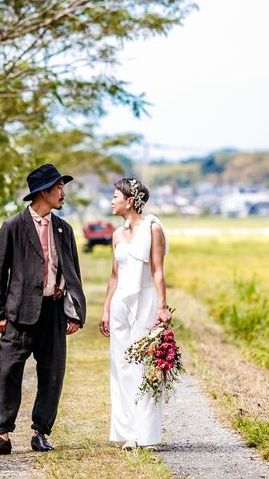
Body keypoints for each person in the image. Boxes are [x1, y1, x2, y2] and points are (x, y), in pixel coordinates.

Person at [0, 164, 86, 456]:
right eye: (58, 187)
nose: (63, 192)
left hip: (53, 312)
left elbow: (72, 273)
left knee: (52, 374)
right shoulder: (12, 226)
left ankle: (40, 433)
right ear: (43, 192)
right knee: (9, 372)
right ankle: (2, 435)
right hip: (18, 314)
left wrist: (74, 312)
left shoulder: (64, 229)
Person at [99, 178, 171, 450]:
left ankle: (147, 434)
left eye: (115, 196)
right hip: (120, 303)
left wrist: (162, 306)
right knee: (121, 365)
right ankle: (128, 432)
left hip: (145, 300)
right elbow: (114, 275)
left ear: (129, 201)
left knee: (145, 365)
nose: (111, 201)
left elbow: (158, 271)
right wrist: (106, 309)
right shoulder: (117, 235)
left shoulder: (152, 229)